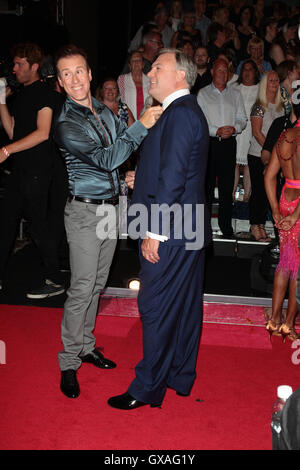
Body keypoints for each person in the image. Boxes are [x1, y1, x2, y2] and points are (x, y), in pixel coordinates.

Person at [53, 45, 162, 399]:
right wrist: (142, 125)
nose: (74, 79)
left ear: (89, 75)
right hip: (85, 213)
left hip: (111, 209)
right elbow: (104, 158)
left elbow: (120, 155)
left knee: (97, 284)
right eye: (65, 74)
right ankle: (68, 360)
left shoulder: (102, 109)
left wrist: (128, 177)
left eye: (78, 71)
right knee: (82, 287)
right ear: (59, 82)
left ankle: (86, 345)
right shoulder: (67, 122)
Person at [108, 48, 210, 410]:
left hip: (172, 229)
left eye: (157, 67)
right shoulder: (181, 112)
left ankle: (146, 386)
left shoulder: (180, 115)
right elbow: (173, 170)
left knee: (153, 305)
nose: (149, 73)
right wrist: (142, 176)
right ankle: (178, 376)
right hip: (186, 227)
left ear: (180, 75)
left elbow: (174, 179)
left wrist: (156, 231)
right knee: (182, 305)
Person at [0, 42, 64, 298]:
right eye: (14, 64)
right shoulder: (23, 94)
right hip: (20, 169)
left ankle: (55, 278)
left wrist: (6, 151)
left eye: (20, 64)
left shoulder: (46, 94)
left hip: (39, 169)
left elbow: (43, 132)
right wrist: (1, 103)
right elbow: (13, 131)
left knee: (38, 226)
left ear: (34, 66)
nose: (15, 69)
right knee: (6, 222)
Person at [197, 58, 247, 239]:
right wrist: (215, 130)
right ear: (212, 72)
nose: (223, 74)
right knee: (207, 187)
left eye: (226, 71)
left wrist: (235, 128)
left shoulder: (235, 94)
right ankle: (204, 227)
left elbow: (242, 118)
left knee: (227, 187)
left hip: (228, 143)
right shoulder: (202, 94)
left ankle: (226, 226)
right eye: (219, 71)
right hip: (209, 143)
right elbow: (200, 122)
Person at [264, 92, 300, 341]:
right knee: (297, 266)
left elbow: (268, 177)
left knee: (285, 262)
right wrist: (297, 215)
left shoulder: (284, 137)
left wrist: (276, 210)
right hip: (299, 206)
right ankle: (289, 324)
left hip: (285, 199)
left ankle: (274, 319)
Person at [248, 71, 284, 242]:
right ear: (264, 84)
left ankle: (262, 225)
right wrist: (271, 151)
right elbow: (257, 132)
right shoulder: (259, 106)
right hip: (257, 155)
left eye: (277, 80)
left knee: (269, 193)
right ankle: (255, 225)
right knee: (259, 192)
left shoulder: (280, 106)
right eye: (271, 81)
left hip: (275, 158)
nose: (275, 83)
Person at [231, 59, 260, 203]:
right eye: (245, 69)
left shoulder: (260, 89)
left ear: (255, 72)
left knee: (249, 162)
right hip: (237, 128)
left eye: (250, 69)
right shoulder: (234, 88)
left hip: (252, 129)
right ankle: (232, 193)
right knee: (234, 162)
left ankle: (247, 196)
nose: (247, 72)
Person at [118, 50, 150, 120]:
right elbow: (120, 100)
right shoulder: (122, 79)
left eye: (139, 60)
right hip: (128, 120)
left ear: (143, 64)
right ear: (129, 65)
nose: (136, 62)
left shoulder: (150, 80)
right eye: (133, 60)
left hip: (146, 119)